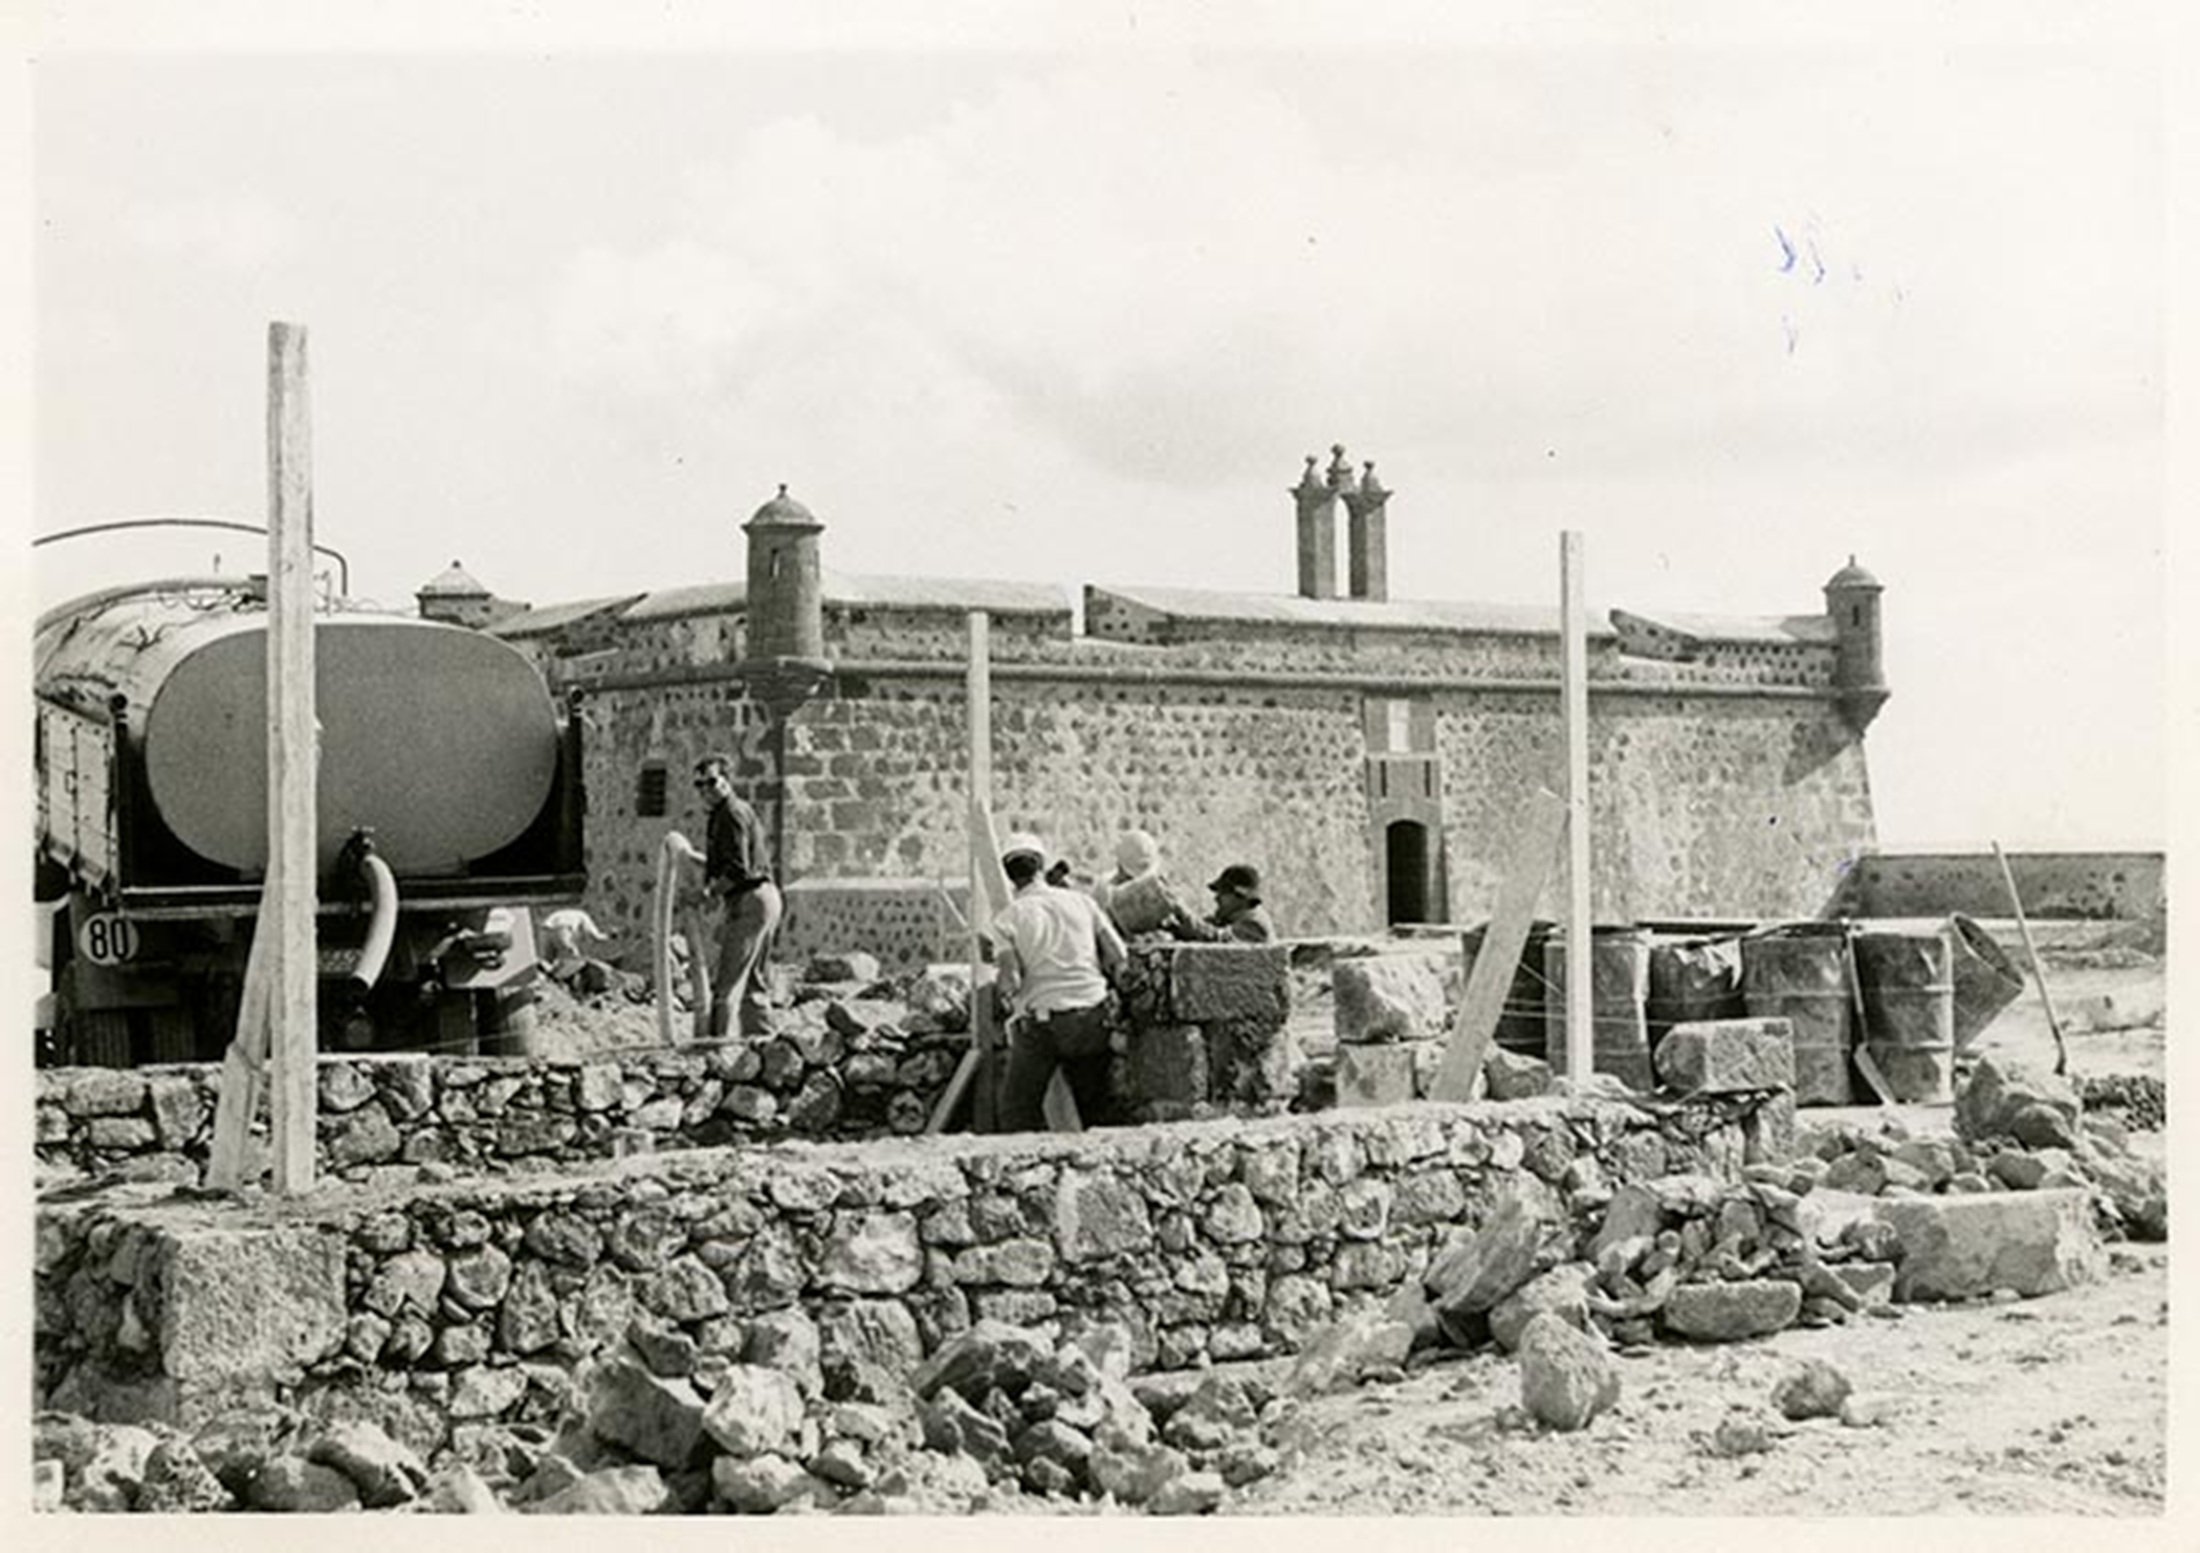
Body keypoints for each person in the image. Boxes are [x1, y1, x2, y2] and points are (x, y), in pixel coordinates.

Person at [991, 831, 1127, 1132]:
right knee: (1095, 1108)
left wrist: (1004, 994)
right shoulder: (1083, 902)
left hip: (1044, 1024)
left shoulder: (1007, 919)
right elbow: (1118, 953)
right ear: (1041, 866)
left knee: (1017, 1109)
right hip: (1093, 1015)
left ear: (1010, 875)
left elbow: (1010, 978)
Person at [691, 754, 783, 1038]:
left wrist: (706, 893)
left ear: (727, 781)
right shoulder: (730, 812)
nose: (705, 790)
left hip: (751, 900)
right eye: (699, 785)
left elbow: (737, 869)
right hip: (766, 898)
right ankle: (765, 1041)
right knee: (752, 981)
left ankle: (715, 1049)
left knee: (727, 982)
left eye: (711, 782)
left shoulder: (730, 814)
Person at [1167, 863, 1278, 944]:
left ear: (1240, 896)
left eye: (1224, 893)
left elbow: (1217, 939)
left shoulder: (1254, 925)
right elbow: (1204, 927)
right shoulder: (1230, 920)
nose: (1217, 898)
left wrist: (1181, 911)